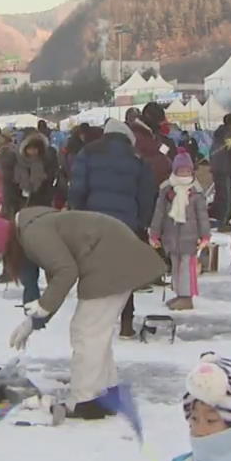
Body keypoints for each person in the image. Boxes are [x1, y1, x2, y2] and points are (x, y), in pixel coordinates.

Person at [0, 206, 166, 419]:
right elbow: (57, 280)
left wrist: (43, 308)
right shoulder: (32, 226)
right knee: (96, 332)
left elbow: (66, 271)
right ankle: (105, 393)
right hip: (114, 256)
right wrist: (33, 321)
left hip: (109, 261)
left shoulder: (33, 234)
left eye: (0, 254)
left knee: (86, 332)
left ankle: (85, 399)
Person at [68, 118, 157, 338]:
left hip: (94, 223)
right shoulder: (137, 158)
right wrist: (141, 222)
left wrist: (79, 214)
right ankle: (126, 322)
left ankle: (95, 322)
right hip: (126, 225)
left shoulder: (87, 152)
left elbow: (77, 188)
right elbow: (147, 195)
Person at [148, 152, 210, 311]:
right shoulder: (166, 190)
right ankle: (179, 294)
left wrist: (205, 235)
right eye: (181, 171)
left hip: (190, 238)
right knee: (175, 267)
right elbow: (159, 213)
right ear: (174, 171)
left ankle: (186, 297)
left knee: (186, 269)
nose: (184, 174)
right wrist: (154, 233)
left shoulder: (196, 192)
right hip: (171, 236)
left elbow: (202, 216)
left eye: (187, 171)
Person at [210, 114, 231, 230]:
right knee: (228, 197)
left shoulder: (217, 134)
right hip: (227, 169)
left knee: (220, 195)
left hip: (216, 168)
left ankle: (217, 219)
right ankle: (223, 222)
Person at [12, 130, 57, 210]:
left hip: (43, 199)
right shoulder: (19, 164)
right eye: (30, 148)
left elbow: (50, 178)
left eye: (35, 148)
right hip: (23, 201)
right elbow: (15, 182)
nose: (33, 151)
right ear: (25, 149)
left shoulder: (45, 162)